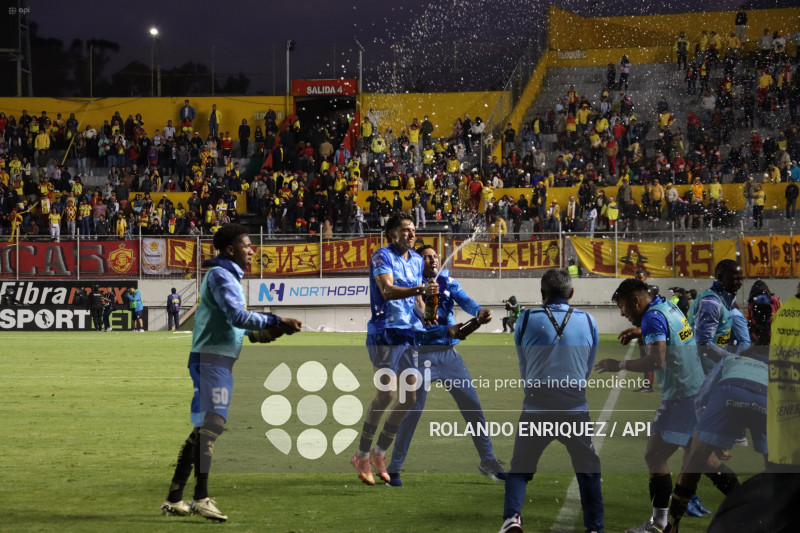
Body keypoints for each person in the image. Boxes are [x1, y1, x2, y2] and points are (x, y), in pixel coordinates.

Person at [160, 223, 302, 521]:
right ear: (230, 249)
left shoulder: (226, 276)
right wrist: (276, 319)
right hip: (211, 360)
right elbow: (238, 316)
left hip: (216, 360)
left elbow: (238, 328)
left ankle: (174, 498)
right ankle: (201, 498)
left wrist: (271, 332)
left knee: (204, 428)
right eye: (246, 245)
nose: (252, 250)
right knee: (212, 425)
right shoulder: (221, 275)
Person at [386, 245, 504, 486]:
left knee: (473, 407)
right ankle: (394, 468)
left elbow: (466, 301)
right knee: (412, 412)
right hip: (418, 357)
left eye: (435, 256)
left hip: (449, 356)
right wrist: (446, 330)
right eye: (427, 257)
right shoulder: (410, 289)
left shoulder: (447, 282)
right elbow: (414, 328)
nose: (433, 260)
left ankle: (488, 461)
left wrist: (479, 312)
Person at [595, 278, 704, 533]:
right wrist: (641, 332)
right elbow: (672, 334)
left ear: (635, 301)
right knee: (705, 462)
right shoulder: (667, 306)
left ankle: (659, 524)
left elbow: (657, 361)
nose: (623, 313)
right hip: (695, 389)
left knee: (655, 455)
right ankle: (755, 510)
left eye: (623, 307)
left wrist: (618, 365)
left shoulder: (652, 318)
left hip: (682, 397)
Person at [499, 269, 604, 533]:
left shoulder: (526, 319)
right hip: (574, 405)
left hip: (536, 404)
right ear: (571, 293)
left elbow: (524, 364)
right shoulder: (588, 320)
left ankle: (512, 517)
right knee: (588, 470)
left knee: (519, 469)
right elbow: (587, 368)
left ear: (542, 293)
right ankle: (595, 527)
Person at [351, 213, 438, 486]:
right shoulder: (382, 257)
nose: (412, 234)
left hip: (408, 334)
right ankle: (361, 456)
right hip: (385, 333)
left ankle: (379, 453)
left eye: (413, 229)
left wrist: (427, 313)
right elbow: (387, 291)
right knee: (386, 393)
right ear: (392, 233)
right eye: (406, 229)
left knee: (409, 398)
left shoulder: (416, 261)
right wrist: (419, 289)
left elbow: (417, 302)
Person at [663, 338, 767, 532]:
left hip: (729, 393)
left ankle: (672, 523)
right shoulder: (779, 368)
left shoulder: (731, 359)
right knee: (777, 467)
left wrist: (710, 436)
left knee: (694, 461)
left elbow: (703, 397)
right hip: (766, 398)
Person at [687, 259, 744, 373]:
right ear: (720, 278)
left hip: (712, 369)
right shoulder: (711, 303)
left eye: (741, 278)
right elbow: (703, 345)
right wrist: (731, 360)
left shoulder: (724, 300)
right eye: (735, 278)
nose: (740, 283)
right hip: (704, 372)